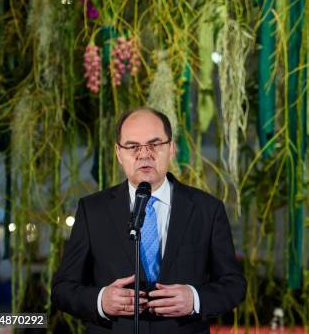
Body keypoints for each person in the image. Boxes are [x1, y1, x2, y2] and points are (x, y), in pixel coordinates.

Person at [52, 107, 246, 333]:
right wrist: (100, 300)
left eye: (154, 144)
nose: (144, 154)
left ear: (171, 148)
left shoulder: (207, 209)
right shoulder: (92, 209)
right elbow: (62, 289)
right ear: (118, 153)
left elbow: (234, 285)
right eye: (133, 146)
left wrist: (195, 299)